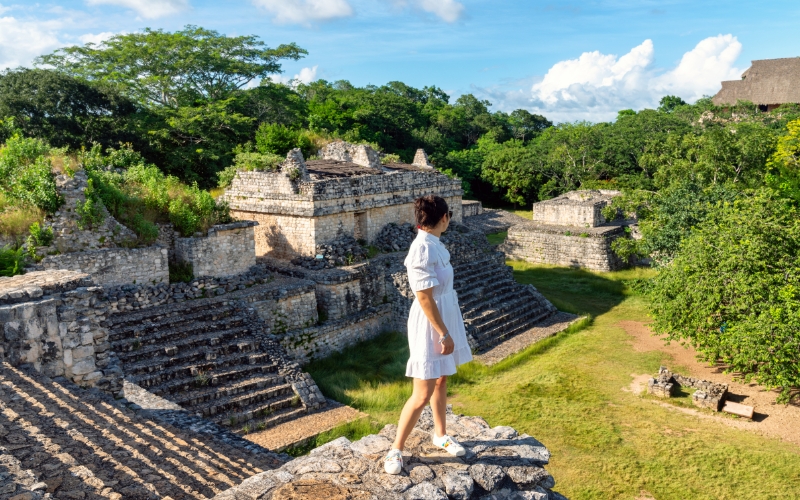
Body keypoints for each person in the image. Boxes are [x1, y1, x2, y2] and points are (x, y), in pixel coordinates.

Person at [384, 195, 473, 475]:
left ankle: (440, 434)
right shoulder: (422, 248)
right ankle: (396, 448)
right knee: (422, 392)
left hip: (444, 313)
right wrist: (444, 333)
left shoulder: (435, 243)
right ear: (444, 218)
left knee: (442, 377)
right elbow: (424, 297)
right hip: (430, 322)